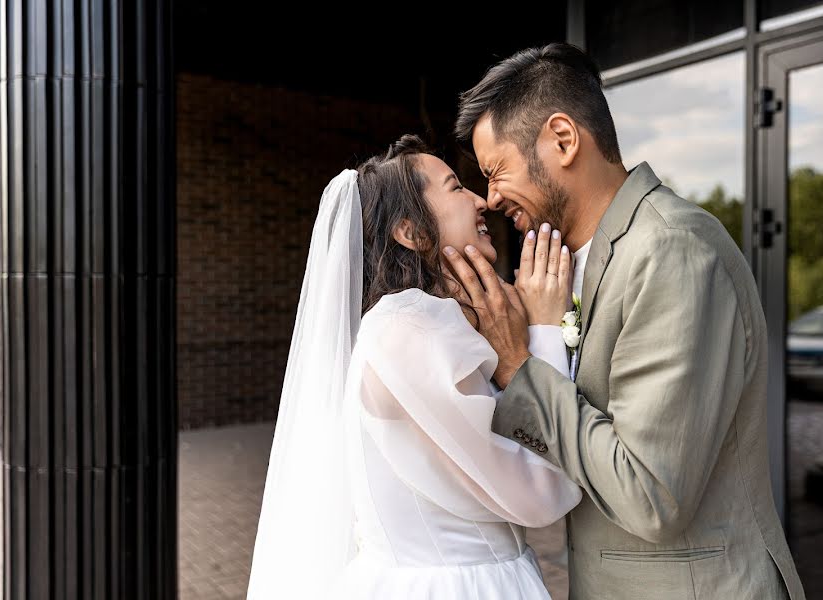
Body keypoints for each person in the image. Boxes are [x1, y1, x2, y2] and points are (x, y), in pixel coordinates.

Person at [444, 42, 806, 599]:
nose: (490, 199)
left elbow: (650, 494)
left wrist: (522, 368)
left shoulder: (672, 250)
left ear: (563, 140)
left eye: (496, 171)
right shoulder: (575, 264)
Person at [247, 135, 582, 599]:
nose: (481, 199)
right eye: (455, 187)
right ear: (413, 232)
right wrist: (545, 332)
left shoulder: (427, 325)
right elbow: (544, 491)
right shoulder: (408, 332)